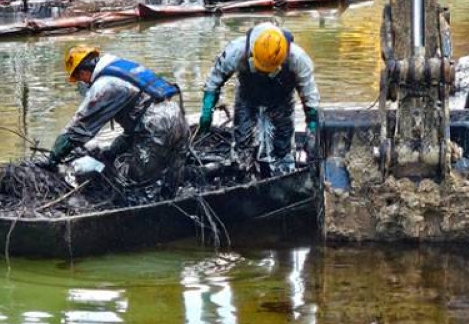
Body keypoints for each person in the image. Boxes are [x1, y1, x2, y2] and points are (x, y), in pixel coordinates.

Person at [43, 45, 189, 198]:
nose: (82, 83)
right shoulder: (119, 67)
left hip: (156, 127)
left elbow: (78, 129)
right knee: (172, 181)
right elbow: (136, 122)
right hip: (176, 115)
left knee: (137, 185)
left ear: (83, 72)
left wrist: (53, 157)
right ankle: (173, 203)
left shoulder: (104, 85)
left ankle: (148, 209)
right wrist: (112, 151)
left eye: (80, 79)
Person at [199, 23, 320, 175]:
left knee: (282, 143)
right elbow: (214, 81)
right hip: (247, 96)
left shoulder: (297, 58)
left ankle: (283, 171)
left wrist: (312, 126)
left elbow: (309, 94)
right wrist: (207, 112)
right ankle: (242, 170)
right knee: (243, 140)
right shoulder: (236, 51)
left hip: (281, 99)